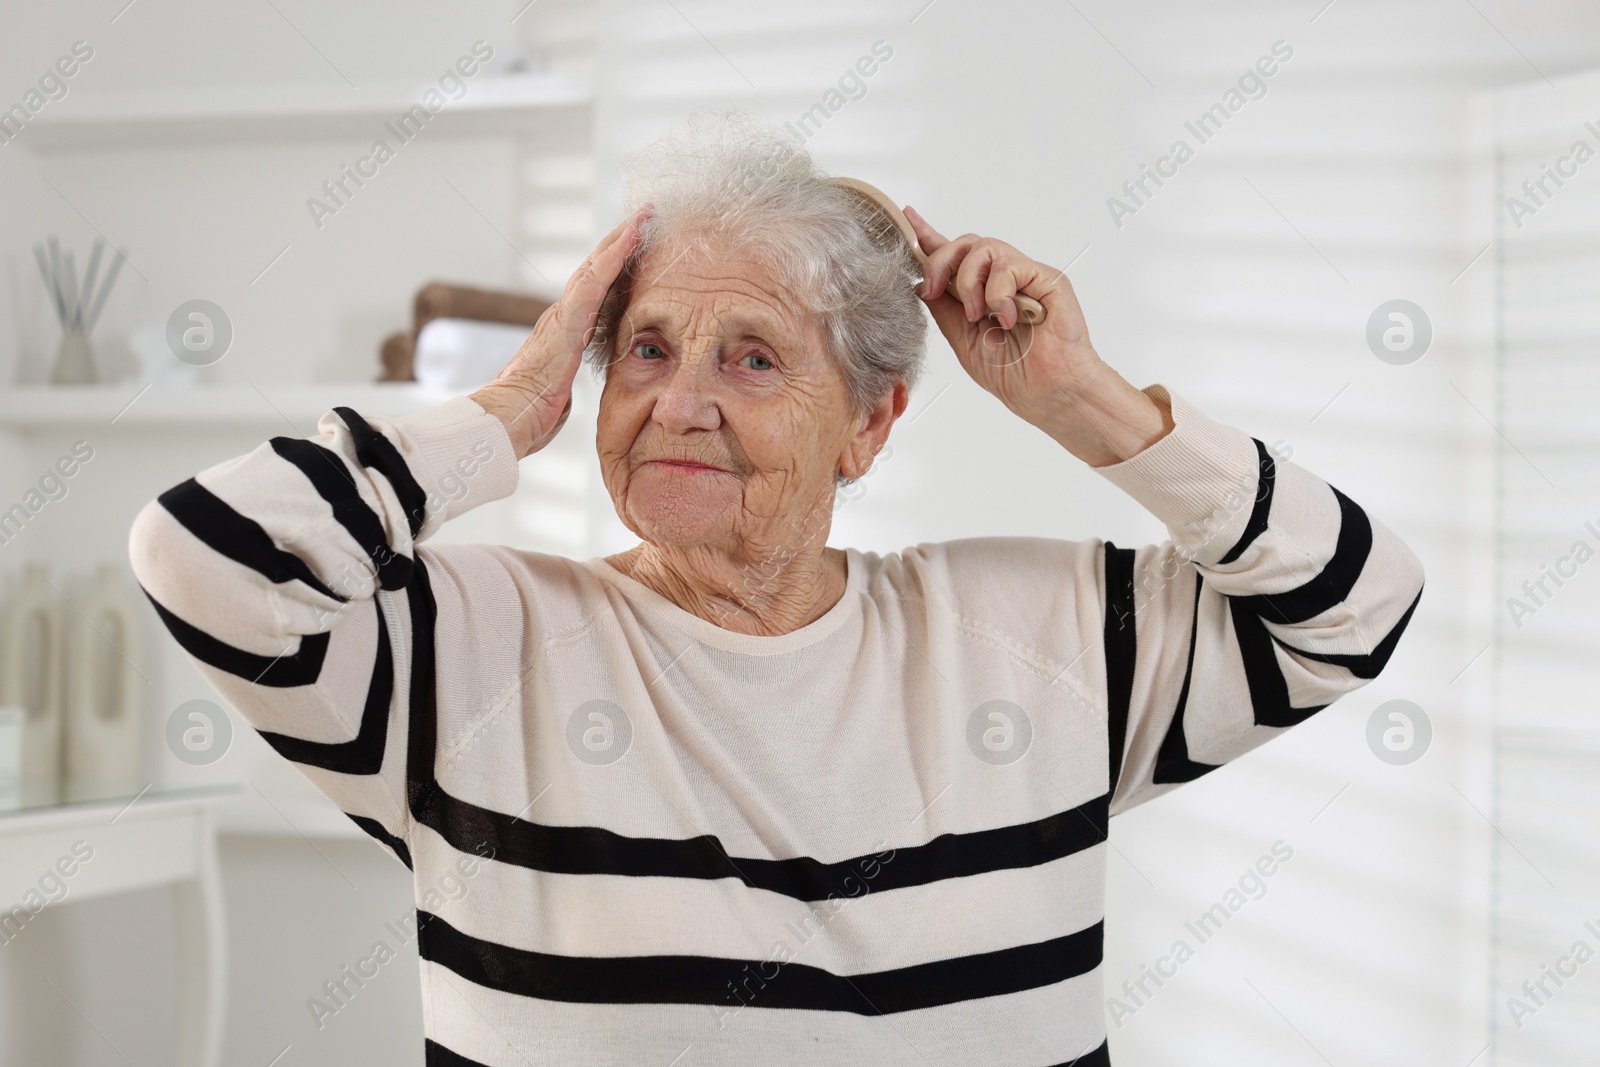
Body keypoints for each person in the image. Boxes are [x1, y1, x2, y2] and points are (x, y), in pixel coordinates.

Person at [127, 114, 1424, 1066]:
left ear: (868, 426)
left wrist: (1085, 401)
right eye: (645, 348)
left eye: (752, 358)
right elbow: (202, 553)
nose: (679, 403)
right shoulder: (471, 651)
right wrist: (508, 411)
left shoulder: (1041, 637)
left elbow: (1359, 601)